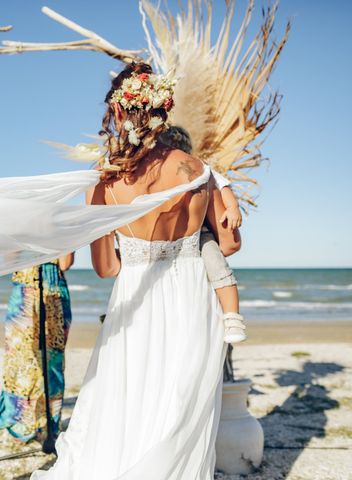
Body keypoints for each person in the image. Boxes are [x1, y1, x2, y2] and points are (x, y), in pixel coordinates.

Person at [32, 62, 241, 479]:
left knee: (128, 394)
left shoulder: (104, 182)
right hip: (190, 294)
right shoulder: (197, 170)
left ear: (121, 113)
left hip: (135, 296)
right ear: (165, 110)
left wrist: (132, 246)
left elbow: (107, 269)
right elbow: (231, 244)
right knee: (182, 400)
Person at [159, 126, 246, 343]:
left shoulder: (200, 168)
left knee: (217, 264)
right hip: (172, 240)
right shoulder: (157, 173)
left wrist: (233, 208)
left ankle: (232, 317)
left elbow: (223, 186)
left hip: (202, 233)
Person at [0, 254, 74, 443]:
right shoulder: (27, 224)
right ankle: (33, 423)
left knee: (41, 361)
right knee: (28, 361)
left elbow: (66, 263)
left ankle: (37, 424)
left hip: (40, 288)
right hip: (36, 288)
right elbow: (9, 261)